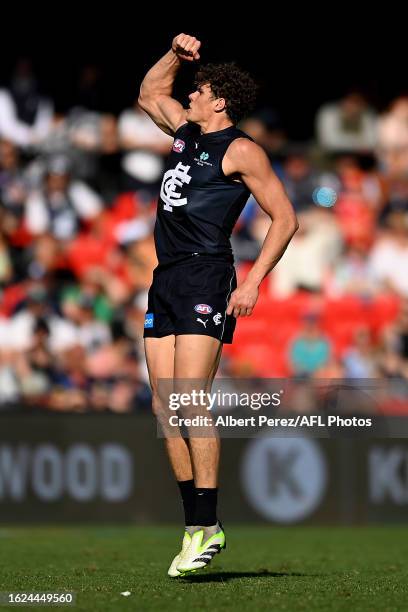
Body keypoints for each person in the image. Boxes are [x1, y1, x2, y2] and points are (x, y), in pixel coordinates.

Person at [139, 33, 298, 577]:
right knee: (163, 408)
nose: (189, 94)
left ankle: (210, 521)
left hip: (208, 273)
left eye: (198, 88)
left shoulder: (241, 149)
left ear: (220, 101)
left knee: (188, 399)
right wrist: (175, 57)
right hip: (166, 277)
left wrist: (252, 283)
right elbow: (147, 93)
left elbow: (286, 216)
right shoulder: (184, 134)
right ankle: (193, 527)